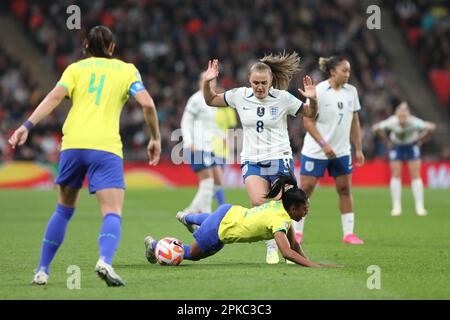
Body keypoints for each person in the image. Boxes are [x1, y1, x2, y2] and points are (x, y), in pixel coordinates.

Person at [8, 26, 161, 286]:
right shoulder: (127, 70)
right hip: (105, 148)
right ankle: (104, 261)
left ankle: (42, 270)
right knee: (112, 211)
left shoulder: (75, 69)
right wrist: (155, 137)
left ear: (85, 47)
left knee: (63, 210)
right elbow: (147, 103)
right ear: (112, 48)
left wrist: (26, 126)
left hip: (73, 146)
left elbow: (55, 96)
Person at [201, 53, 318, 264]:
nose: (259, 87)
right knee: (258, 203)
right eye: (255, 83)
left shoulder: (283, 98)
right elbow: (210, 100)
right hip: (252, 160)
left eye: (263, 83)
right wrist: (207, 81)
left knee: (282, 206)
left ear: (271, 81)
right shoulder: (240, 95)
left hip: (279, 158)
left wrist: (313, 99)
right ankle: (272, 246)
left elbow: (310, 113)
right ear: (249, 80)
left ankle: (293, 249)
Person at [144, 173, 340, 268]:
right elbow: (287, 252)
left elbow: (295, 244)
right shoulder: (278, 220)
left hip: (228, 211)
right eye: (305, 209)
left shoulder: (281, 207)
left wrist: (309, 262)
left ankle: (189, 217)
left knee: (212, 223)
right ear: (293, 208)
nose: (307, 212)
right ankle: (154, 246)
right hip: (222, 228)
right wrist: (316, 266)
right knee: (191, 254)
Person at [295, 56, 365, 245]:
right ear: (333, 72)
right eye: (345, 70)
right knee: (306, 189)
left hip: (342, 151)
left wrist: (358, 148)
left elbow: (355, 121)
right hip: (316, 150)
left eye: (349, 71)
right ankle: (297, 232)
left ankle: (349, 233)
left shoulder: (352, 92)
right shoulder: (319, 90)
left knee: (344, 189)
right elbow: (307, 121)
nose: (348, 74)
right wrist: (324, 144)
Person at [372, 102, 436, 216]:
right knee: (396, 174)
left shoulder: (414, 122)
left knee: (415, 174)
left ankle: (419, 206)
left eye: (404, 116)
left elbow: (431, 127)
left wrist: (421, 139)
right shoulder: (392, 121)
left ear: (408, 115)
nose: (402, 119)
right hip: (397, 146)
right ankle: (396, 206)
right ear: (396, 115)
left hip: (411, 145)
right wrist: (387, 142)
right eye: (400, 116)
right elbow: (376, 128)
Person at [180, 72, 220, 214]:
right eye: (206, 80)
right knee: (208, 181)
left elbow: (211, 125)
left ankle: (191, 210)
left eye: (212, 81)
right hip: (196, 146)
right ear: (200, 82)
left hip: (208, 147)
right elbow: (186, 121)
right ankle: (205, 213)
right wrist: (189, 141)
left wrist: (223, 136)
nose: (210, 83)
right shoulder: (195, 99)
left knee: (213, 181)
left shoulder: (212, 100)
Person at [211, 106, 238, 206]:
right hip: (212, 148)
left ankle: (211, 195)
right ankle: (221, 204)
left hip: (223, 149)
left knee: (217, 179)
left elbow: (232, 128)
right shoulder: (212, 109)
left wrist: (230, 141)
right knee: (218, 179)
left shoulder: (229, 111)